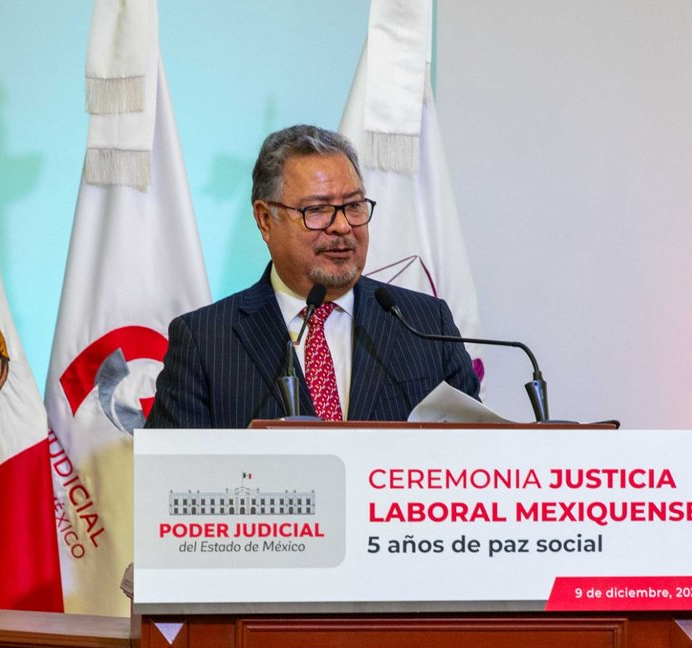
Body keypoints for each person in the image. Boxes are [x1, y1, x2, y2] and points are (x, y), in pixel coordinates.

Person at [145, 125, 481, 429]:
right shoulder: (205, 341)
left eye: (354, 206)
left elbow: (476, 453)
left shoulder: (426, 324)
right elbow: (171, 472)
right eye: (317, 210)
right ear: (265, 219)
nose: (342, 226)